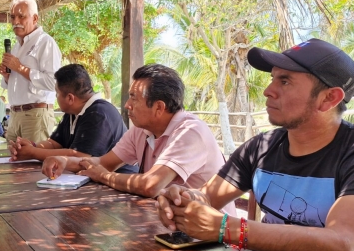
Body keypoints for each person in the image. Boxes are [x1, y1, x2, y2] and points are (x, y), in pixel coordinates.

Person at [157, 38, 354, 251]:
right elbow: (207, 197)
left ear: (329, 98)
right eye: (273, 78)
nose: (268, 90)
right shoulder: (262, 146)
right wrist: (183, 200)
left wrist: (228, 229)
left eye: (285, 81)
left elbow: (344, 250)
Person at [42, 64, 233, 207]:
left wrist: (105, 177)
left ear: (159, 107)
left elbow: (150, 185)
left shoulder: (190, 131)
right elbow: (103, 163)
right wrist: (64, 161)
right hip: (167, 223)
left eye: (134, 98)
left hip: (208, 237)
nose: (127, 105)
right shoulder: (141, 130)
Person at [9, 64, 136, 174]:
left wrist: (33, 152)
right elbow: (54, 143)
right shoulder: (73, 112)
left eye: (57, 93)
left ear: (70, 98)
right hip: (86, 178)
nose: (56, 98)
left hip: (117, 183)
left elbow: (80, 156)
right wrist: (31, 146)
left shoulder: (99, 114)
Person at [0, 0, 62, 143]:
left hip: (35, 115)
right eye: (13, 17)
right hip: (14, 115)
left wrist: (20, 68)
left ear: (35, 19)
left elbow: (54, 83)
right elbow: (18, 83)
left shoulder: (45, 42)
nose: (16, 22)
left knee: (32, 164)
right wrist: (7, 76)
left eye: (21, 16)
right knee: (11, 163)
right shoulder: (16, 46)